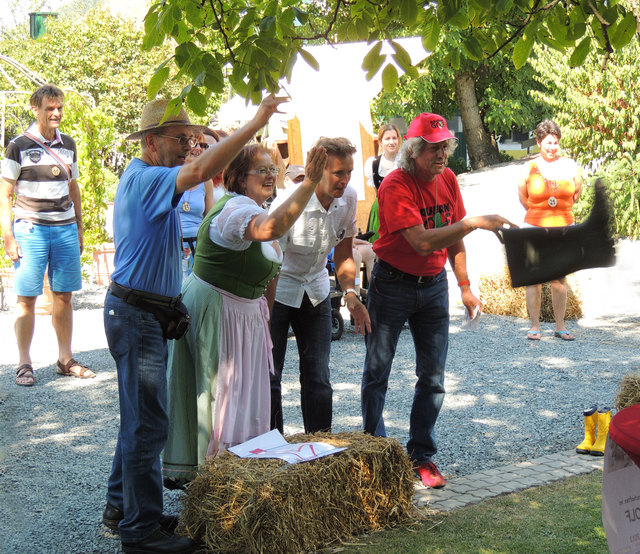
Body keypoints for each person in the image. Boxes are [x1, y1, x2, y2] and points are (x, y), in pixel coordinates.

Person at [102, 94, 286, 553]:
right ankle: (139, 533)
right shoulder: (147, 179)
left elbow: (203, 177)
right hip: (137, 312)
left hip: (146, 311)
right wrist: (254, 123)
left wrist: (211, 145)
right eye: (180, 139)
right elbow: (202, 172)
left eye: (193, 138)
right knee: (147, 424)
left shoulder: (145, 176)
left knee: (141, 419)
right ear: (150, 141)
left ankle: (123, 508)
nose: (189, 145)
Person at [360, 113, 514, 489]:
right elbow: (423, 241)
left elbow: (452, 237)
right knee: (377, 372)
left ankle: (421, 457)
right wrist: (475, 222)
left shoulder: (447, 179)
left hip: (432, 286)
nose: (442, 154)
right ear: (413, 152)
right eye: (433, 148)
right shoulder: (396, 184)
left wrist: (463, 284)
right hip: (391, 284)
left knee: (433, 377)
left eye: (445, 146)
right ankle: (375, 453)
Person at [162, 144, 327, 486]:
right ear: (237, 177)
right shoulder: (234, 210)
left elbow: (269, 274)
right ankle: (213, 483)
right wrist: (309, 183)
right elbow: (268, 230)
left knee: (244, 400)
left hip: (245, 317)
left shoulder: (256, 208)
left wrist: (262, 318)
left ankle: (238, 481)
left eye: (273, 169)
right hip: (219, 311)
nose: (270, 175)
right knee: (222, 400)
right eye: (261, 170)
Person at [269, 137, 371, 435]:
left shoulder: (348, 198)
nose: (345, 180)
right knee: (270, 376)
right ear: (318, 170)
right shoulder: (287, 205)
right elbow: (271, 265)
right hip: (279, 289)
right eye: (338, 173)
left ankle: (318, 444)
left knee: (318, 375)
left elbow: (343, 250)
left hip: (315, 290)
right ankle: (273, 447)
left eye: (349, 172)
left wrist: (350, 293)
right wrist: (266, 314)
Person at [0, 84, 94, 387]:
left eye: (59, 108)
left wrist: (79, 227)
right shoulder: (18, 145)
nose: (56, 113)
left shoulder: (69, 143)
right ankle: (24, 363)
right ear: (35, 109)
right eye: (50, 108)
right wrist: (8, 237)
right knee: (26, 299)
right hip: (30, 229)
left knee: (64, 297)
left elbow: (73, 187)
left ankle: (65, 359)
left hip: (65, 229)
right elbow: (5, 193)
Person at [518, 119, 582, 341]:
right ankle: (534, 326)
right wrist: (541, 214)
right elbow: (524, 198)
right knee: (534, 279)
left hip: (563, 227)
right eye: (547, 142)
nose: (552, 147)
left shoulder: (570, 165)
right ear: (538, 142)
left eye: (555, 142)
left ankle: (560, 326)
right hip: (534, 226)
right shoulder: (528, 167)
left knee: (559, 279)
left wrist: (558, 215)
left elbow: (575, 194)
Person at [178, 130, 216, 280]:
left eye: (203, 145)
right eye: (194, 143)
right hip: (172, 246)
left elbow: (210, 218)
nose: (199, 148)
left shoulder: (206, 181)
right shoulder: (171, 175)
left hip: (197, 247)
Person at [364, 124, 402, 244]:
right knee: (379, 247)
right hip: (380, 210)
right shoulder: (373, 163)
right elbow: (377, 192)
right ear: (380, 142)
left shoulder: (405, 162)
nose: (392, 142)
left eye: (394, 138)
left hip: (401, 209)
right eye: (387, 138)